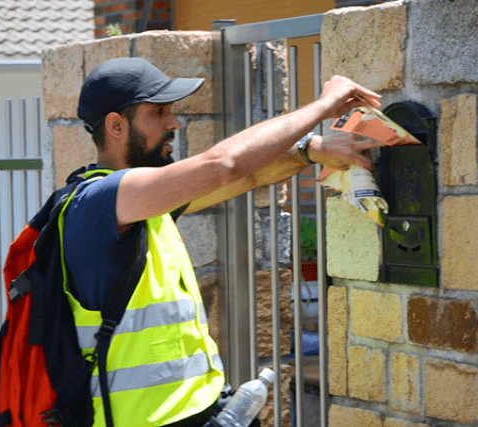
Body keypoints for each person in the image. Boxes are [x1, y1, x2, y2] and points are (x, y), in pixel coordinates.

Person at [64, 57, 382, 427]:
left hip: (198, 414)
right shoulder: (99, 200)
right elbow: (223, 165)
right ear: (116, 126)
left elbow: (243, 178)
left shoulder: (144, 204)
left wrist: (309, 152)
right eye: (159, 113)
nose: (174, 123)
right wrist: (323, 106)